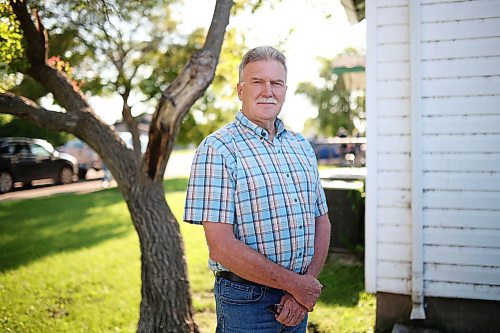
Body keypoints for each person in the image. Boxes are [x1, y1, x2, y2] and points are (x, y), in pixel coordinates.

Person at [184, 46, 331, 332]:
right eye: (257, 82)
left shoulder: (301, 145)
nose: (268, 91)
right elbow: (221, 246)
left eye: (276, 83)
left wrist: (304, 288)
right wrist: (296, 285)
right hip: (246, 303)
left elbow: (321, 221)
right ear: (240, 90)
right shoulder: (217, 149)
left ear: (285, 90)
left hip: (299, 299)